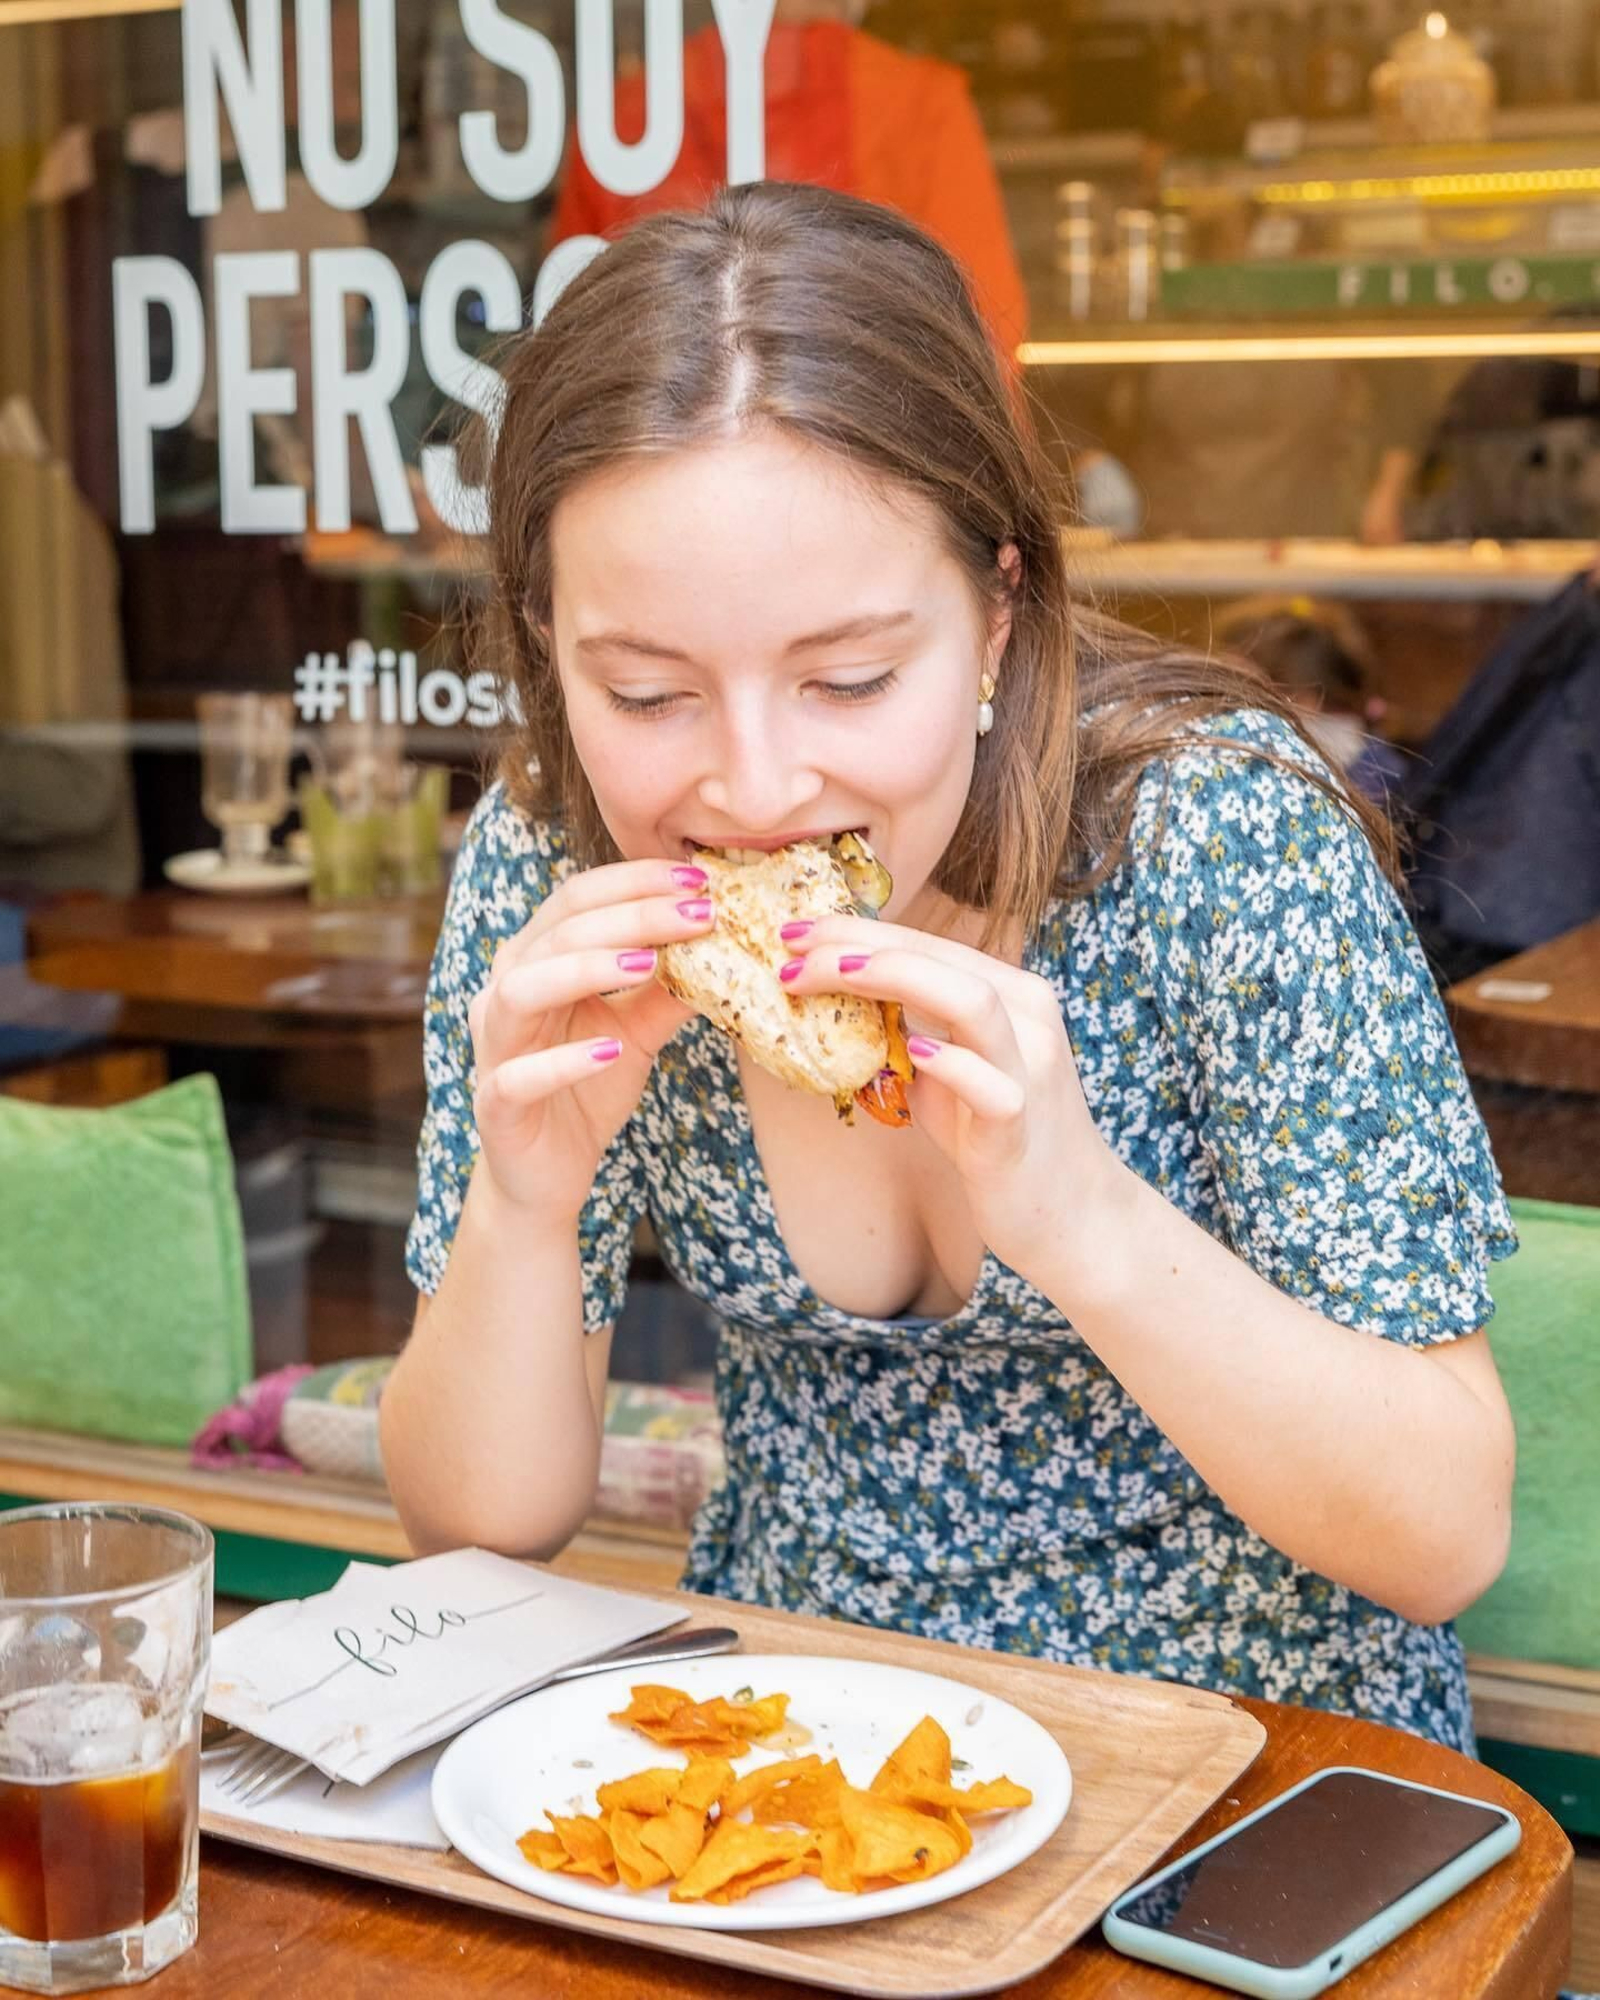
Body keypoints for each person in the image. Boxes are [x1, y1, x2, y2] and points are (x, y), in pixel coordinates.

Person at [381, 183, 1517, 1756]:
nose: (757, 786)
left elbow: (1446, 1526)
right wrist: (523, 1209)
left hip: (1259, 1775)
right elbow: (479, 1527)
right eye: (647, 693)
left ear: (996, 614)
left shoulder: (1217, 838)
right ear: (549, 640)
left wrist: (1085, 1219)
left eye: (849, 678)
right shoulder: (553, 863)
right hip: (800, 1770)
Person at [545, 0, 1028, 363]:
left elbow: (567, 339)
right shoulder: (921, 107)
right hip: (858, 471)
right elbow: (984, 340)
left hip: (655, 467)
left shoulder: (626, 114)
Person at [1212, 594, 1408, 804]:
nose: (1219, 705)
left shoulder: (1368, 784)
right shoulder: (1363, 758)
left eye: (1240, 693)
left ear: (1304, 700)